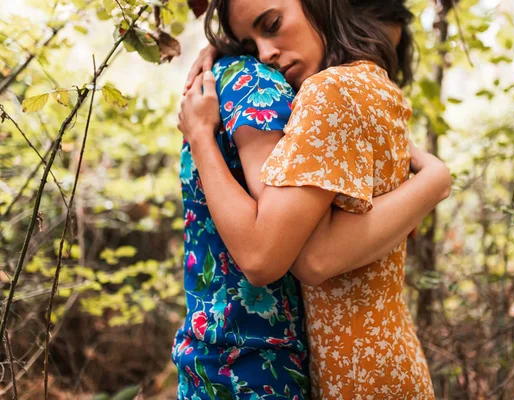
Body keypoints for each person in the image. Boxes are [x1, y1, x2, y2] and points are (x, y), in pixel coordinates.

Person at [176, 0, 450, 398]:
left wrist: (201, 136)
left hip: (362, 376)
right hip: (379, 362)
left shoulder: (330, 91)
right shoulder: (370, 87)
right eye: (251, 47)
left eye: (272, 24)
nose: (266, 54)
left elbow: (309, 258)